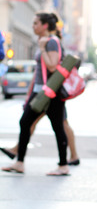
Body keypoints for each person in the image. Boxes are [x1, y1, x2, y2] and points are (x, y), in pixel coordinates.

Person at [1, 12, 69, 176]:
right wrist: (29, 93)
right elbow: (40, 71)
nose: (33, 26)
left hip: (51, 92)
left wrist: (41, 48)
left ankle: (63, 165)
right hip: (40, 91)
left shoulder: (52, 42)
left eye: (36, 23)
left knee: (58, 127)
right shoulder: (44, 41)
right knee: (25, 122)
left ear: (45, 25)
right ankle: (19, 162)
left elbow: (52, 66)